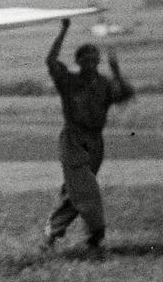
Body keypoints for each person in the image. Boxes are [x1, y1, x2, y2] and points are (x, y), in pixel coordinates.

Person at [42, 19, 134, 255]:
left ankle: (51, 234)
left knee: (75, 191)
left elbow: (126, 95)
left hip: (95, 143)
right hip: (73, 139)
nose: (90, 62)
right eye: (85, 58)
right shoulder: (69, 82)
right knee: (85, 187)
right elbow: (51, 61)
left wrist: (116, 72)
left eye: (94, 58)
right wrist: (63, 30)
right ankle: (96, 233)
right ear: (78, 61)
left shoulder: (104, 84)